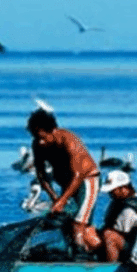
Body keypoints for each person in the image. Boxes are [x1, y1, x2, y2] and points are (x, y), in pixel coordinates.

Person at [28, 107, 101, 251]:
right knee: (69, 225)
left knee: (79, 224)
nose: (40, 142)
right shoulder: (38, 145)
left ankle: (88, 255)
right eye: (36, 137)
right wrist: (55, 198)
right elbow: (41, 175)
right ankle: (84, 252)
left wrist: (62, 201)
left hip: (87, 180)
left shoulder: (69, 141)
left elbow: (78, 175)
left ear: (53, 130)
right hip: (68, 184)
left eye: (43, 137)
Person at [97, 170, 137, 262]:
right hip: (125, 242)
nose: (109, 194)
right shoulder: (116, 202)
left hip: (133, 248)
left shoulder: (129, 210)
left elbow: (122, 234)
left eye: (112, 190)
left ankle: (110, 268)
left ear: (123, 188)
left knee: (109, 236)